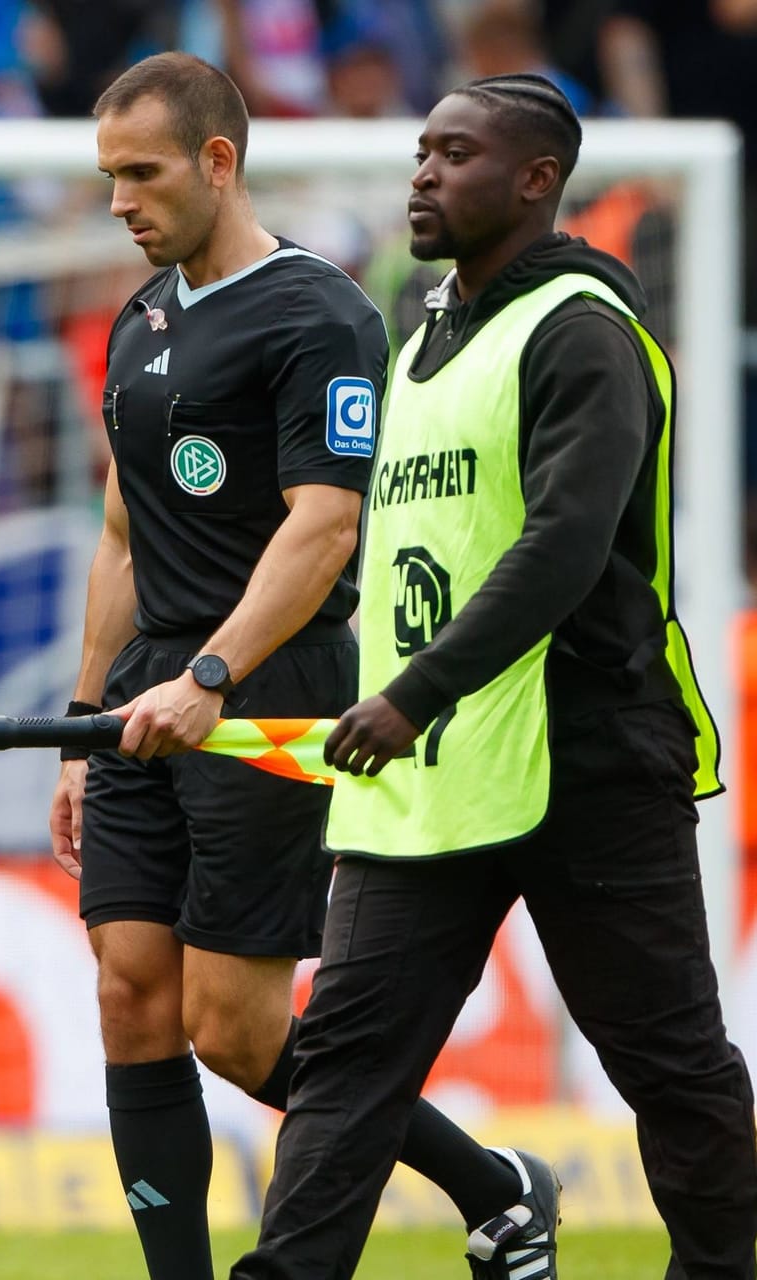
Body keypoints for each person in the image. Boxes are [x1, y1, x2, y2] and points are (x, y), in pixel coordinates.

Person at [232, 73, 757, 1280]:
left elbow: (563, 547)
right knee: (350, 1060)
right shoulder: (417, 337)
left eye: (454, 153)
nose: (422, 172)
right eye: (421, 150)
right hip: (434, 772)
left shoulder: (582, 329)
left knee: (669, 1060)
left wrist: (415, 689)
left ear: (534, 180)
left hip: (588, 757)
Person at [50, 52, 549, 1279]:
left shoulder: (319, 312)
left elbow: (325, 524)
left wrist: (209, 676)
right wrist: (83, 717)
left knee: (232, 1029)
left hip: (263, 684)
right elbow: (123, 526)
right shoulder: (142, 314)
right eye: (108, 173)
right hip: (142, 691)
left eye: (143, 172)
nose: (120, 198)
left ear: (220, 161)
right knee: (129, 989)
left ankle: (491, 1181)